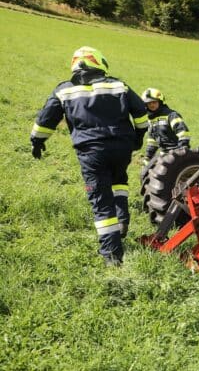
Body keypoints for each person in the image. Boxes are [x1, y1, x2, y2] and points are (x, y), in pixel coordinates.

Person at [30, 46, 148, 266]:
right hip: (122, 148)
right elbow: (141, 114)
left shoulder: (64, 90)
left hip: (92, 152)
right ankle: (122, 220)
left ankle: (112, 256)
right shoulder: (118, 85)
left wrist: (37, 142)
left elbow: (45, 119)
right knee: (119, 179)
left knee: (101, 202)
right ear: (99, 63)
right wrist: (138, 138)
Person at [141, 87, 191, 163]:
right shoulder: (151, 119)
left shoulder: (171, 115)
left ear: (160, 102)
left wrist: (180, 151)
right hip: (163, 154)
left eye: (154, 102)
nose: (151, 105)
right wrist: (148, 156)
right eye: (149, 103)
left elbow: (183, 133)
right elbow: (152, 141)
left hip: (177, 153)